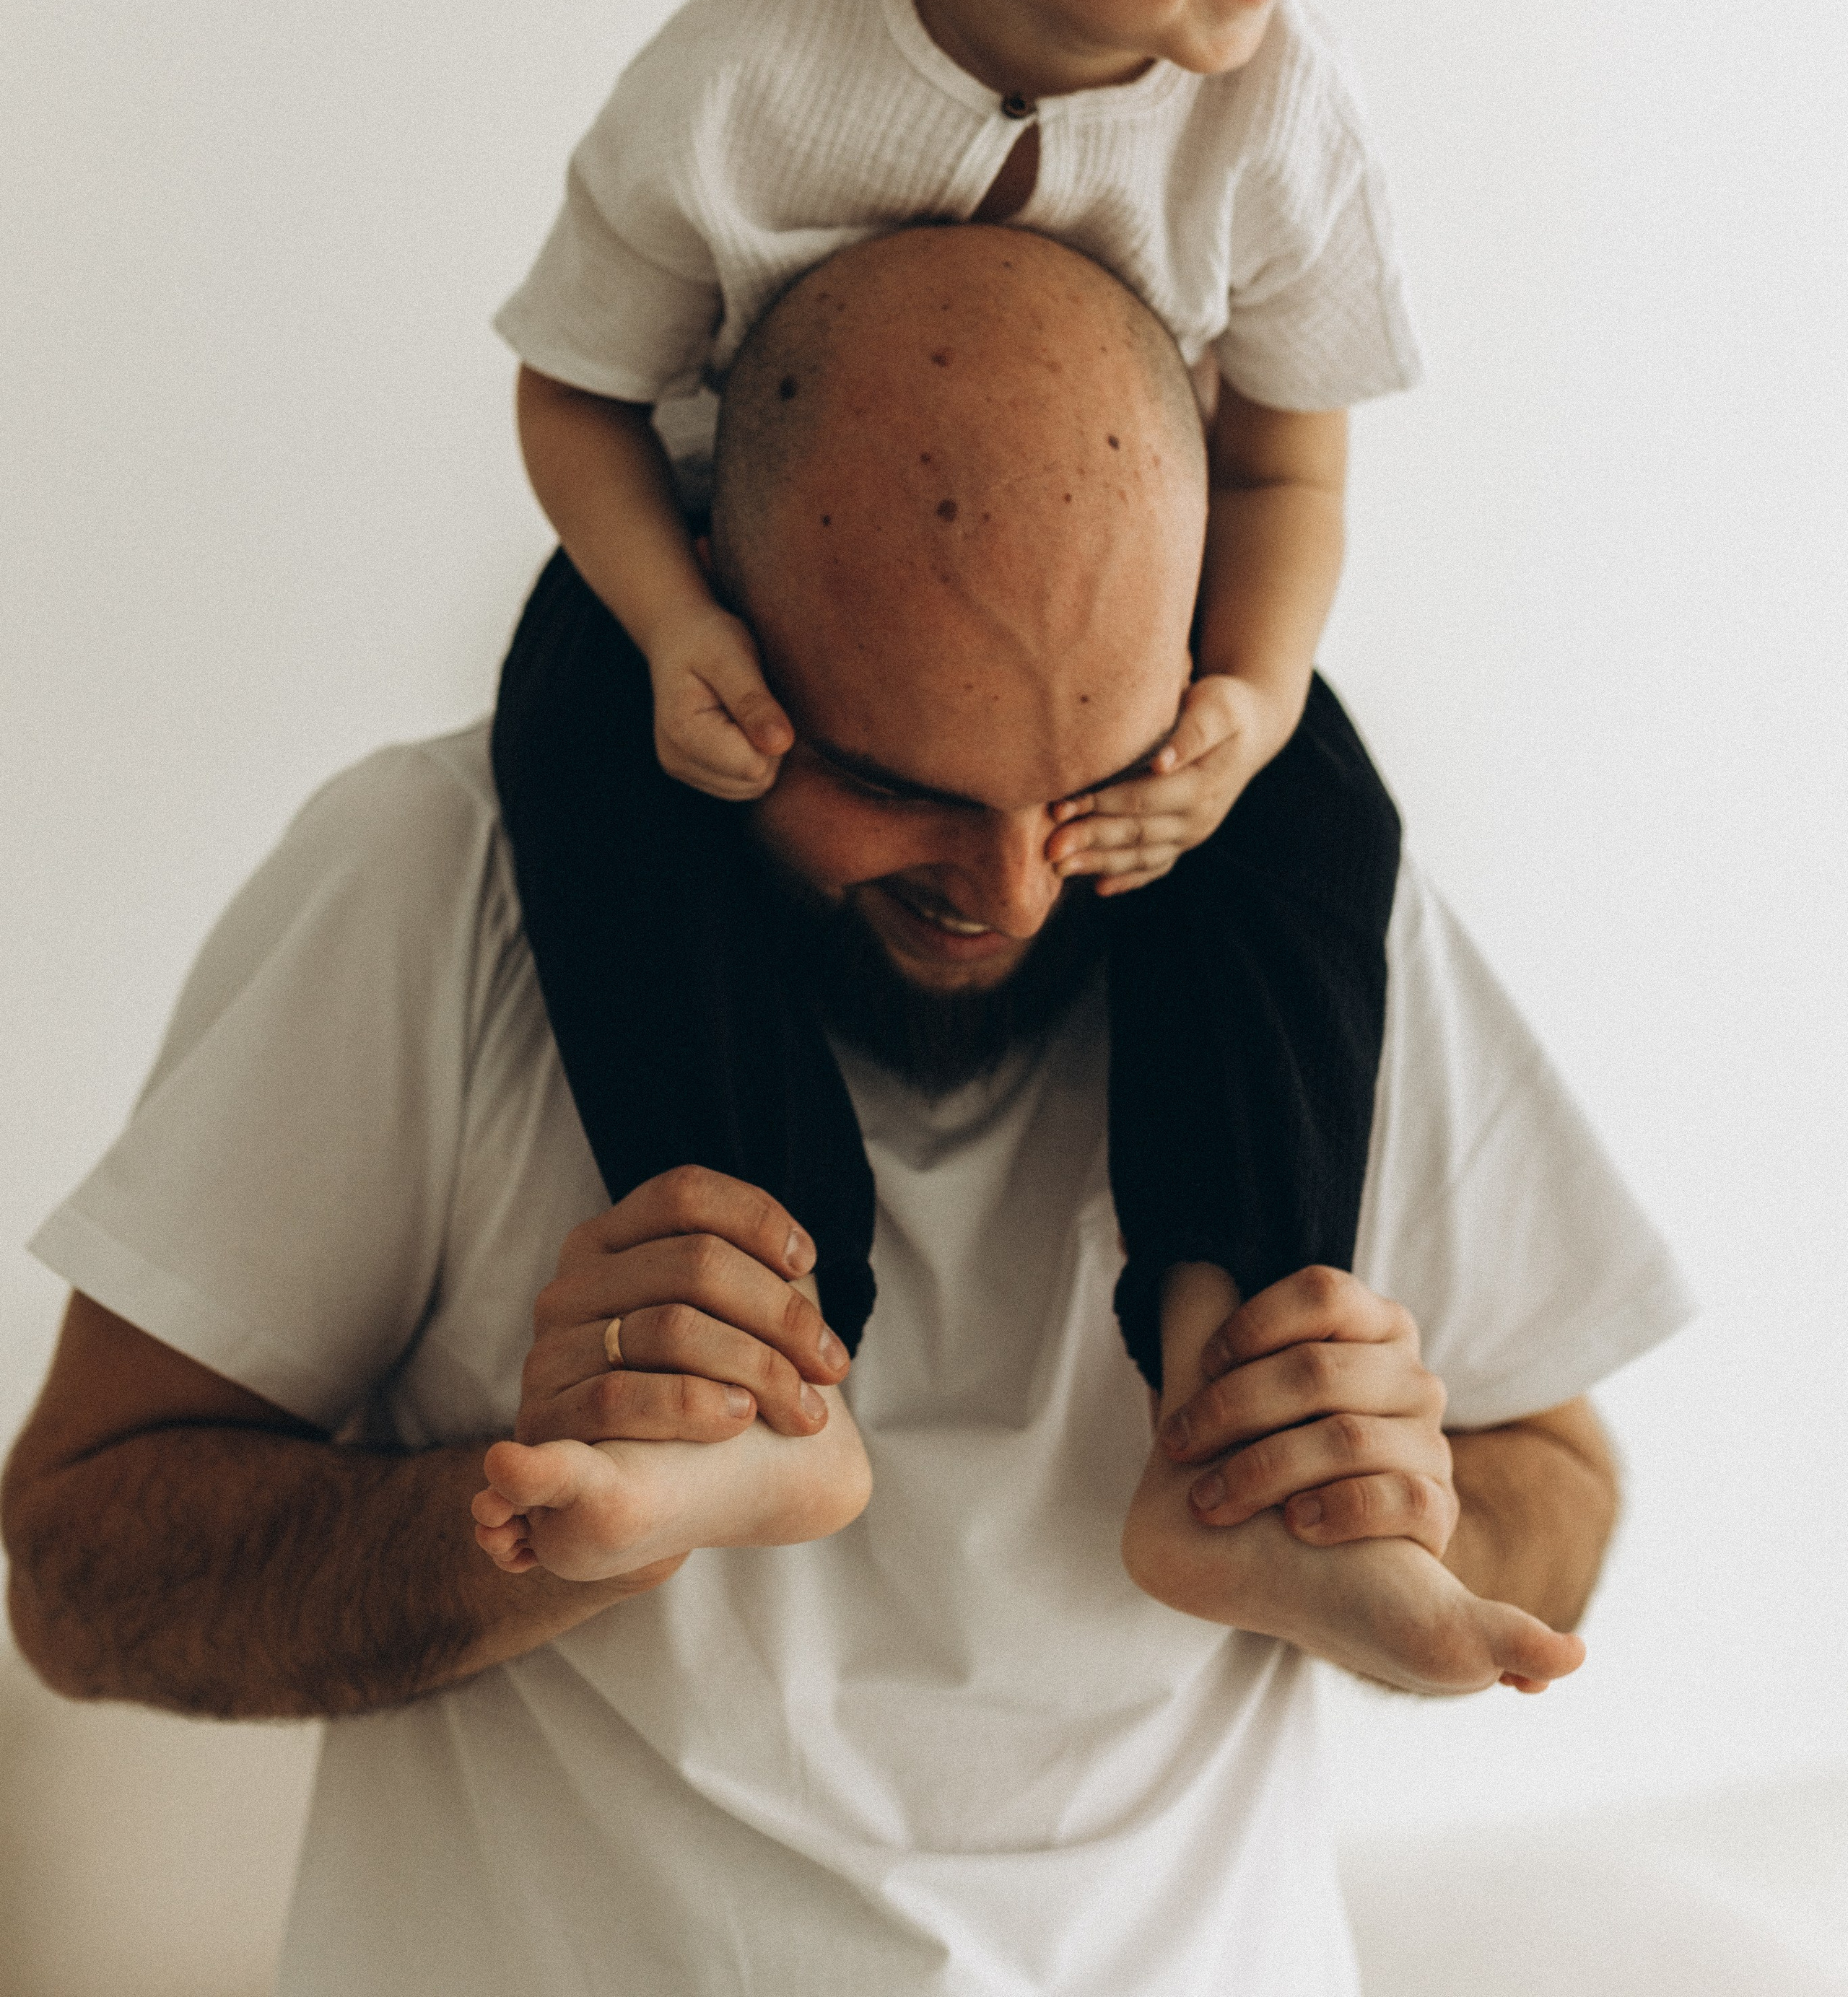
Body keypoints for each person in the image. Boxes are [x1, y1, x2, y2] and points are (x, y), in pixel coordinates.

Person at [4, 231, 1690, 1997]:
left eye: (1093, 780)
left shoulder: (1305, 930)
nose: (1012, 890)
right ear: (714, 637)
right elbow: (78, 1573)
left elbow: (1558, 1491)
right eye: (895, 784)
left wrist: (1406, 1506)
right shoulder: (433, 883)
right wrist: (522, 1531)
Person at [490, 0, 1424, 1373]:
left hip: (1114, 631)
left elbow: (1287, 466)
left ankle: (1233, 1355)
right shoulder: (747, 82)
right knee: (577, 760)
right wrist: (668, 624)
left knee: (1313, 824)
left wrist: (1250, 700)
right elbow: (574, 392)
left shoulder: (1286, 120)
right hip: (750, 591)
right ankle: (766, 1337)